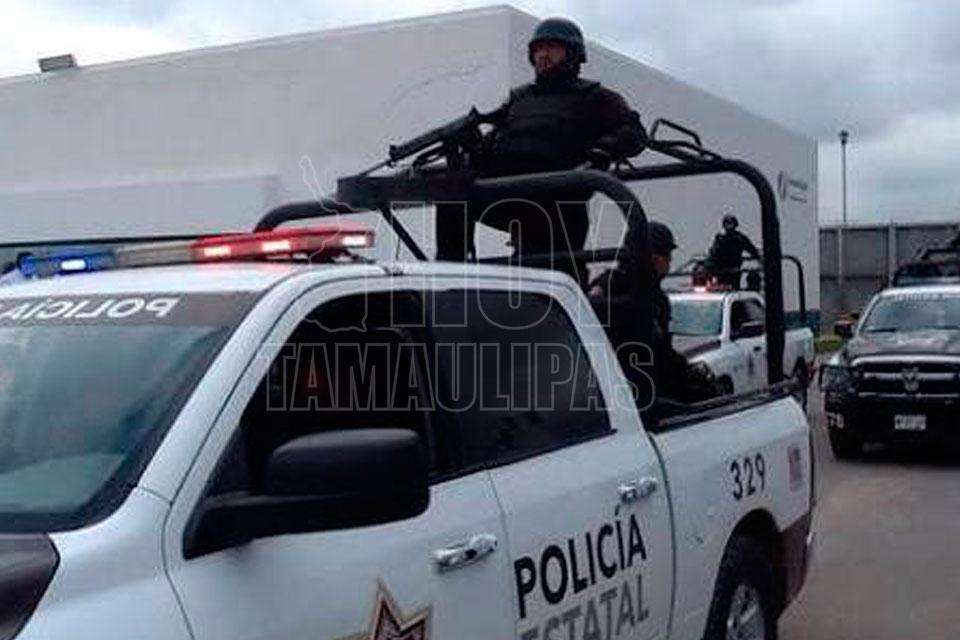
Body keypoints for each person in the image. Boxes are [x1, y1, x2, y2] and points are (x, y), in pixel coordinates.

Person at [435, 17, 645, 283]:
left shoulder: (595, 97)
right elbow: (494, 145)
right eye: (538, 49)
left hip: (558, 201)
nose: (543, 55)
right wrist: (469, 147)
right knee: (453, 191)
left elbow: (633, 132)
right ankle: (449, 276)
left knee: (550, 278)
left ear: (573, 54)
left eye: (553, 48)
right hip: (510, 193)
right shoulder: (518, 100)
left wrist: (602, 151)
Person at [589, 221, 721, 406]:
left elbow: (664, 353)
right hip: (624, 388)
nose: (669, 261)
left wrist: (689, 375)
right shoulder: (613, 287)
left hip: (650, 384)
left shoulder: (656, 298)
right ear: (648, 254)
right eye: (664, 254)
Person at [705, 214, 760, 289]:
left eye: (730, 224)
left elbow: (752, 250)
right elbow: (713, 253)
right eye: (727, 224)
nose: (729, 226)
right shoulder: (720, 239)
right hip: (721, 270)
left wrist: (758, 257)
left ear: (735, 225)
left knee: (735, 286)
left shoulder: (740, 238)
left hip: (734, 269)